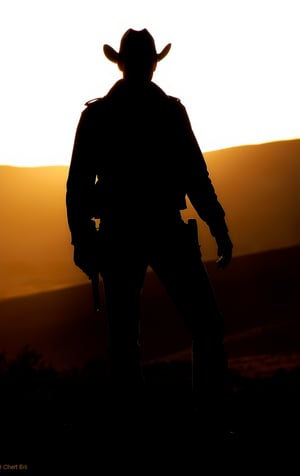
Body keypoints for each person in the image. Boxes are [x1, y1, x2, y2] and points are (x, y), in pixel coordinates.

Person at [66, 28, 233, 435]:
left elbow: (78, 186)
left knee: (125, 339)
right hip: (162, 228)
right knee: (204, 327)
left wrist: (83, 238)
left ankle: (132, 429)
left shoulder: (98, 115)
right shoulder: (169, 111)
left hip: (121, 233)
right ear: (153, 62)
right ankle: (207, 425)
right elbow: (196, 175)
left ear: (120, 63)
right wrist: (218, 224)